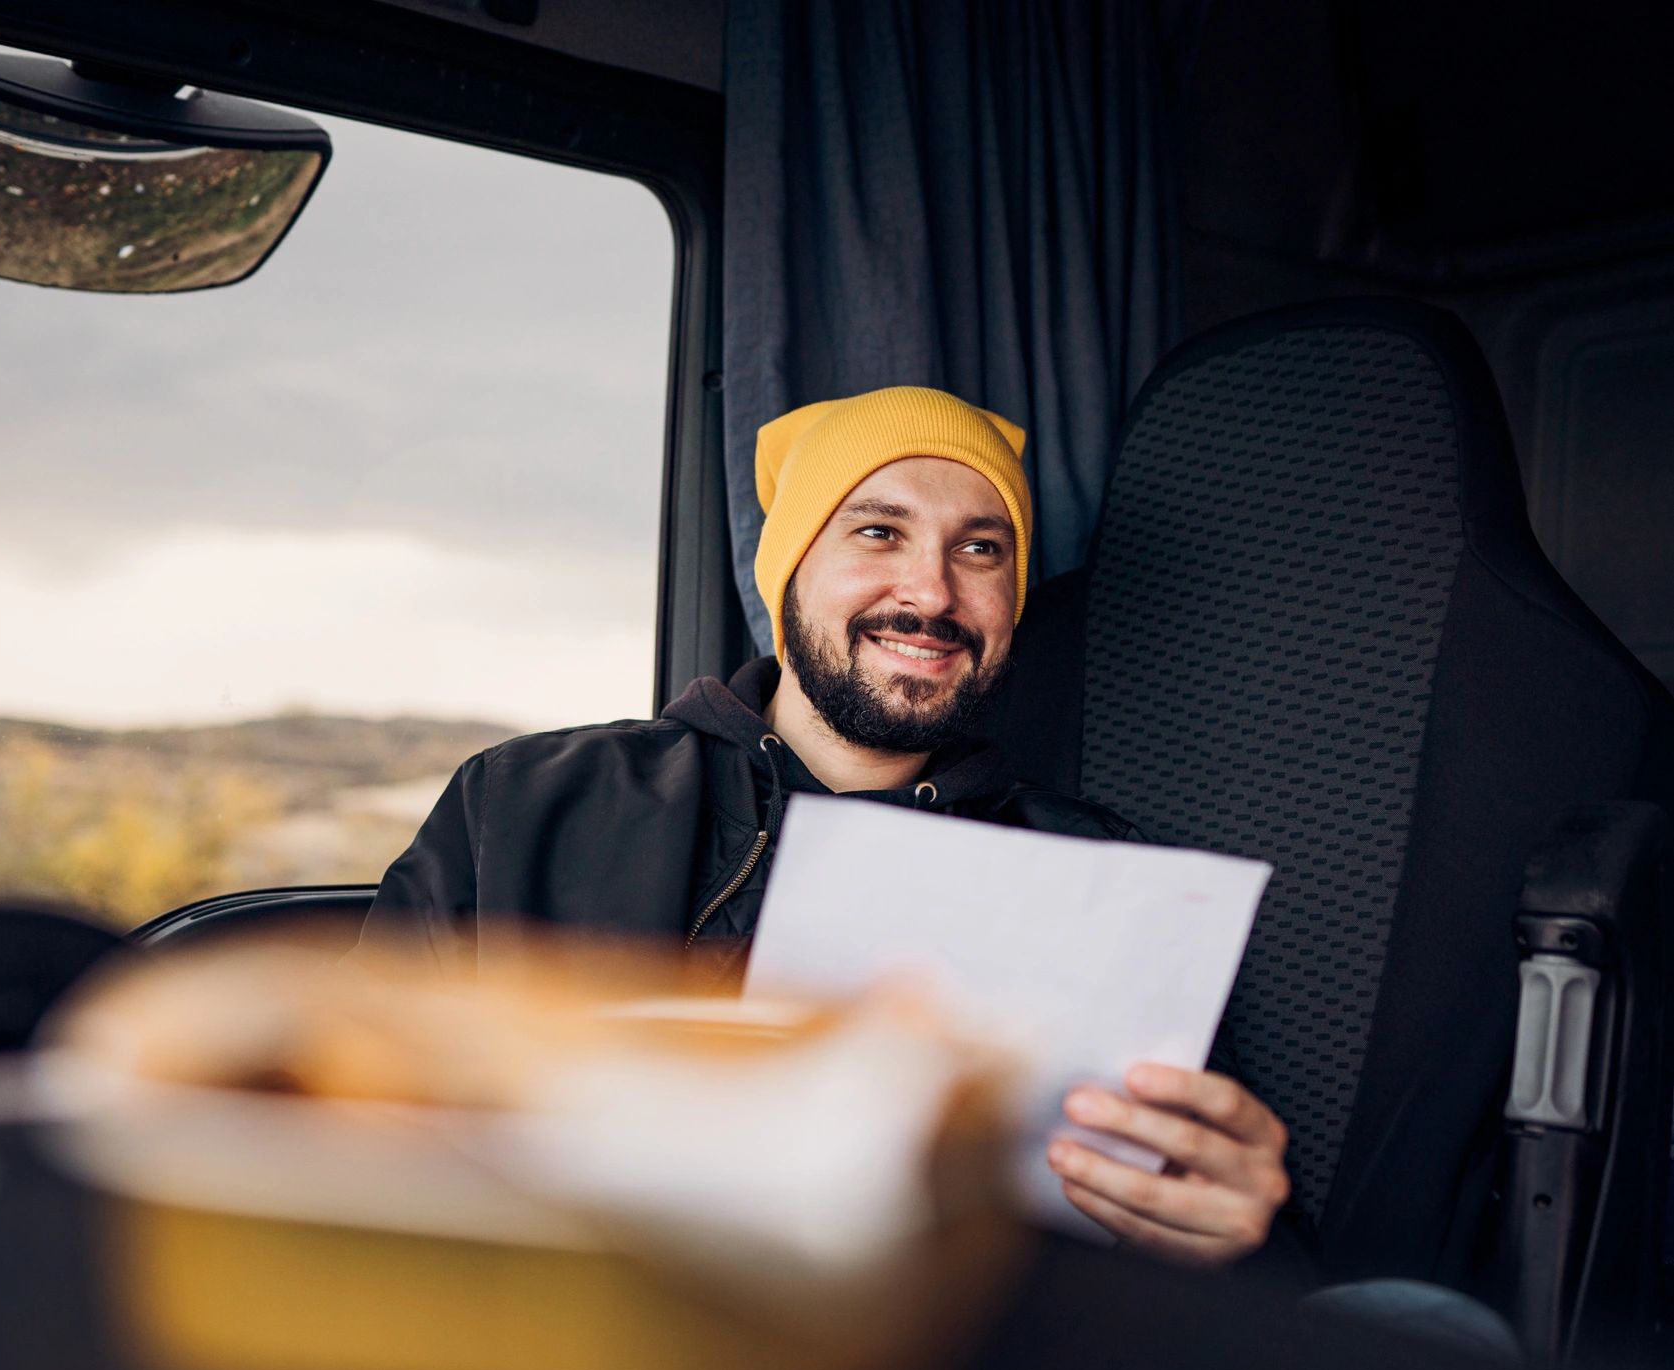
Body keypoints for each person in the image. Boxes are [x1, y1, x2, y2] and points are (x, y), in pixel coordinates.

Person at [353, 386, 1291, 1265]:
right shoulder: (526, 801)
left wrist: (1235, 1242)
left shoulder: (1097, 874)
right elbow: (341, 1127)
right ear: (789, 566)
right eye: (879, 532)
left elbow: (1197, 1215)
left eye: (980, 549)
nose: (929, 593)